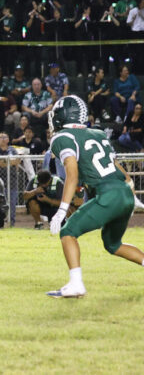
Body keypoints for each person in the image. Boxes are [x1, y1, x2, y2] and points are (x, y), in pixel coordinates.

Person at [45, 95, 144, 298]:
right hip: (124, 193)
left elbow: (71, 174)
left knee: (68, 231)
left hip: (108, 194)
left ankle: (76, 284)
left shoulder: (63, 137)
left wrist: (61, 210)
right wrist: (132, 198)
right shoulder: (98, 133)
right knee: (113, 244)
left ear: (63, 115)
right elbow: (122, 173)